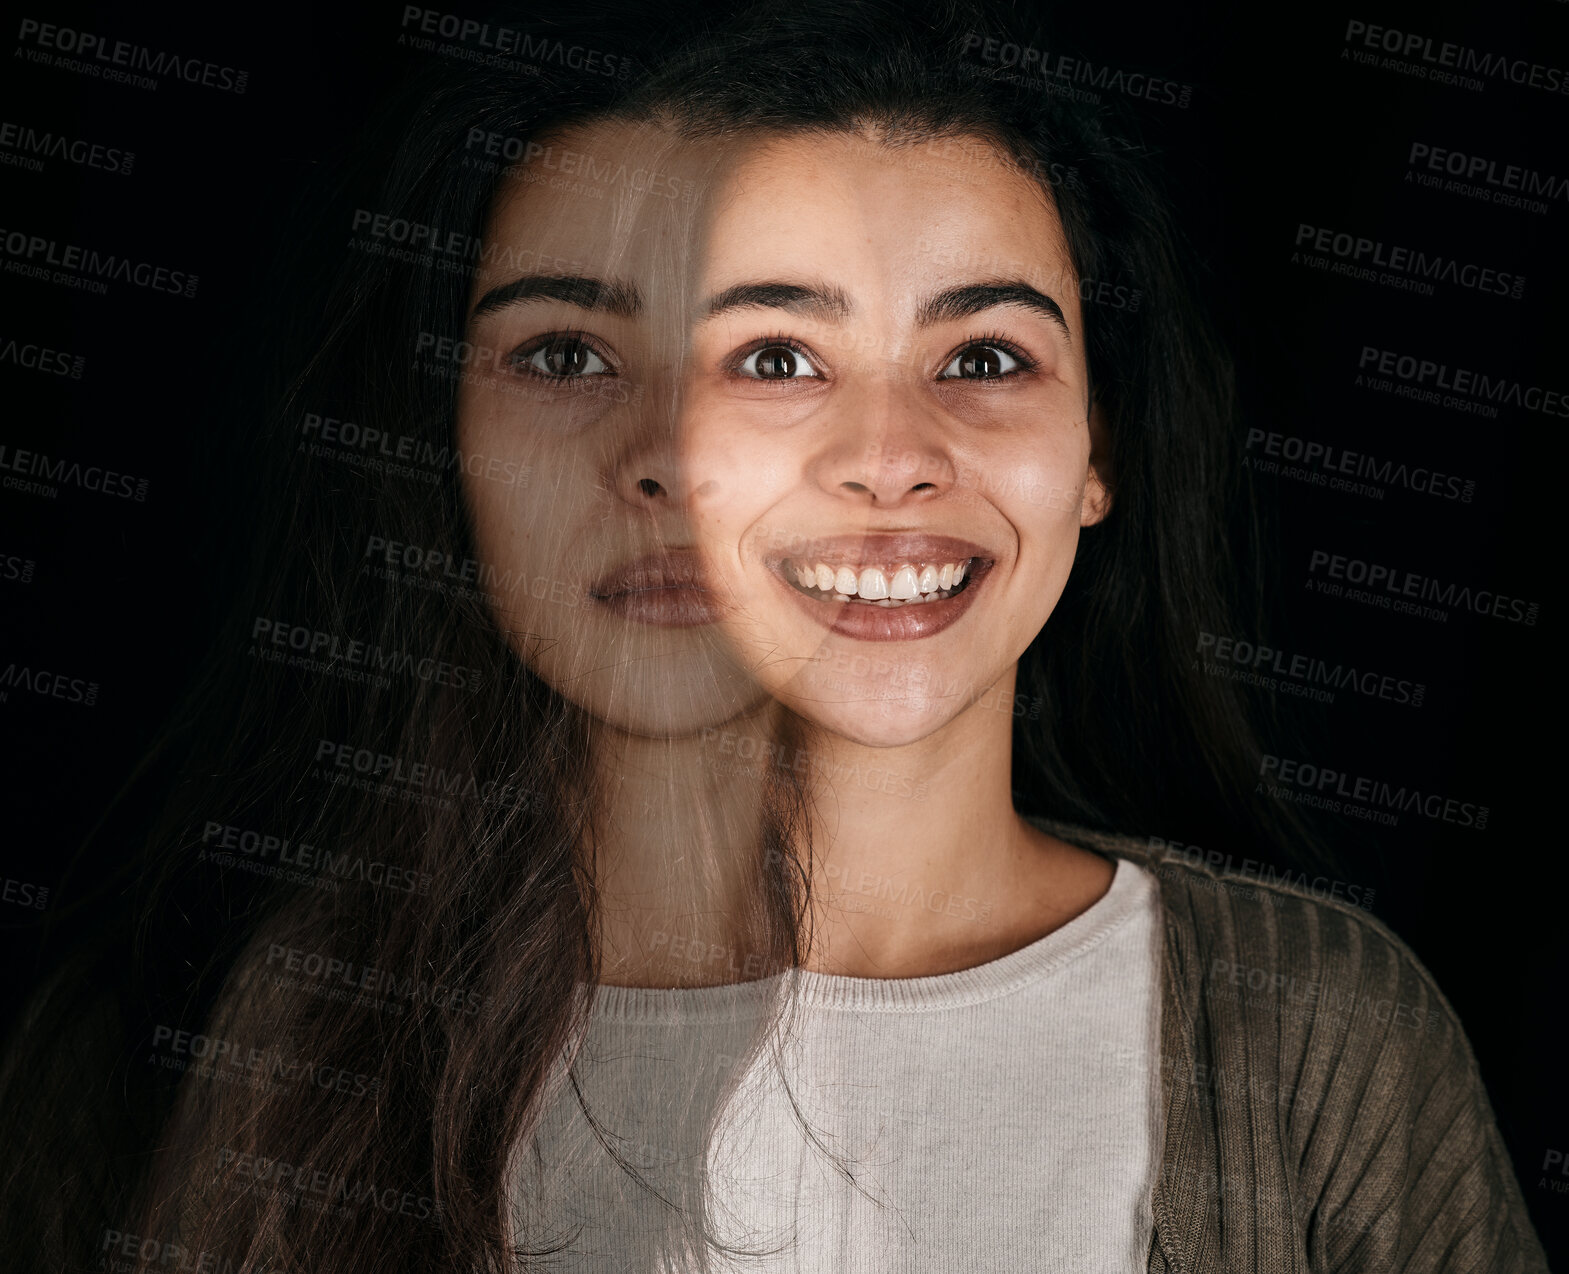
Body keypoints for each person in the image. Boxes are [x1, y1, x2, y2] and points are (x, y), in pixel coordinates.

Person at [0, 1, 1547, 1270]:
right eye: (563, 352)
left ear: (1102, 453)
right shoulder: (179, 1047)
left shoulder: (1314, 1038)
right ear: (429, 436)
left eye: (987, 352)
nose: (884, 457)